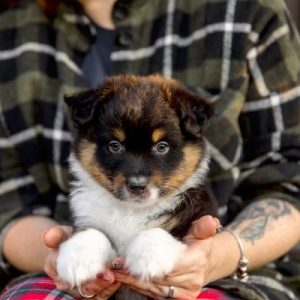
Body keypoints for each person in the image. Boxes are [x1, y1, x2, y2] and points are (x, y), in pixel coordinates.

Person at [0, 0, 299, 299]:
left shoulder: (246, 10)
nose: (138, 178)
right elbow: (7, 200)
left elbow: (290, 173)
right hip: (64, 281)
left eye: (162, 147)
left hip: (230, 275)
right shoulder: (13, 29)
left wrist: (215, 257)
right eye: (114, 146)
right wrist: (63, 253)